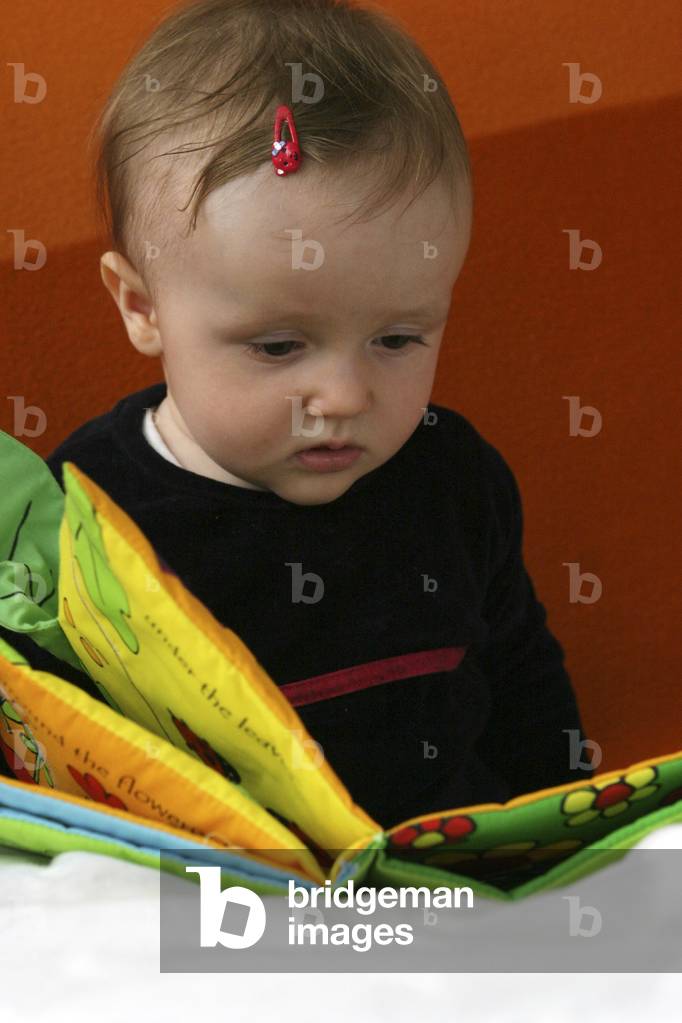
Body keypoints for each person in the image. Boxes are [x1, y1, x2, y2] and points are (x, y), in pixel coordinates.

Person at [0, 0, 593, 827]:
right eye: (278, 348)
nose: (345, 398)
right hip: (213, 912)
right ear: (142, 308)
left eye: (396, 338)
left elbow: (523, 674)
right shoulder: (90, 515)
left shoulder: (453, 476)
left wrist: (569, 846)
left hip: (453, 893)